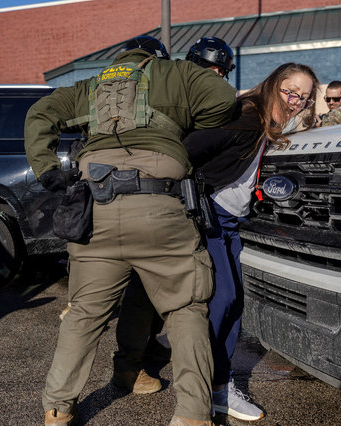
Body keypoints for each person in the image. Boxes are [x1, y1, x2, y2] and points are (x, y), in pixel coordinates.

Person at [25, 35, 237, 426]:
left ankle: (58, 408)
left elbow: (39, 114)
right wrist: (183, 127)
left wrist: (47, 170)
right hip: (161, 209)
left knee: (85, 314)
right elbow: (223, 99)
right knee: (185, 309)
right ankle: (192, 415)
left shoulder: (89, 86)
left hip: (96, 211)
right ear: (158, 58)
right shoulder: (177, 72)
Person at [115, 61, 319, 423]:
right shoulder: (245, 115)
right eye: (291, 91)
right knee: (220, 300)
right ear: (273, 85)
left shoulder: (269, 123)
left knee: (233, 301)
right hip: (209, 215)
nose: (296, 101)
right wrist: (189, 193)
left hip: (231, 221)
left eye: (304, 97)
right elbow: (188, 148)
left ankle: (218, 388)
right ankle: (206, 388)